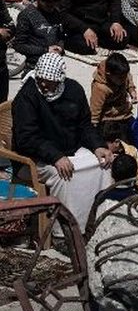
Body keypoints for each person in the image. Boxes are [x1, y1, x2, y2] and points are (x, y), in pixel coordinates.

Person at [12, 53, 113, 234]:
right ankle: (63, 232)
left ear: (59, 79)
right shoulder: (27, 97)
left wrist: (98, 145)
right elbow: (26, 138)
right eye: (41, 79)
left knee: (103, 166)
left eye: (48, 81)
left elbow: (84, 125)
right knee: (64, 175)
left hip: (69, 147)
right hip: (36, 156)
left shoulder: (73, 90)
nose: (43, 84)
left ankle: (97, 222)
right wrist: (56, 156)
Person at [13, 0, 64, 71]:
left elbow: (60, 36)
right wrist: (45, 50)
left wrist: (60, 47)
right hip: (34, 67)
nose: (52, 9)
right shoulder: (27, 15)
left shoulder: (56, 13)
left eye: (54, 5)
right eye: (48, 6)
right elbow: (19, 45)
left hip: (54, 65)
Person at [90, 52, 136, 140]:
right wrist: (94, 132)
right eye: (120, 78)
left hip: (125, 114)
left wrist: (131, 90)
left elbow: (128, 78)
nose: (123, 80)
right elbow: (95, 112)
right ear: (108, 74)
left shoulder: (122, 74)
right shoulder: (100, 88)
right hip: (109, 119)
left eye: (124, 76)